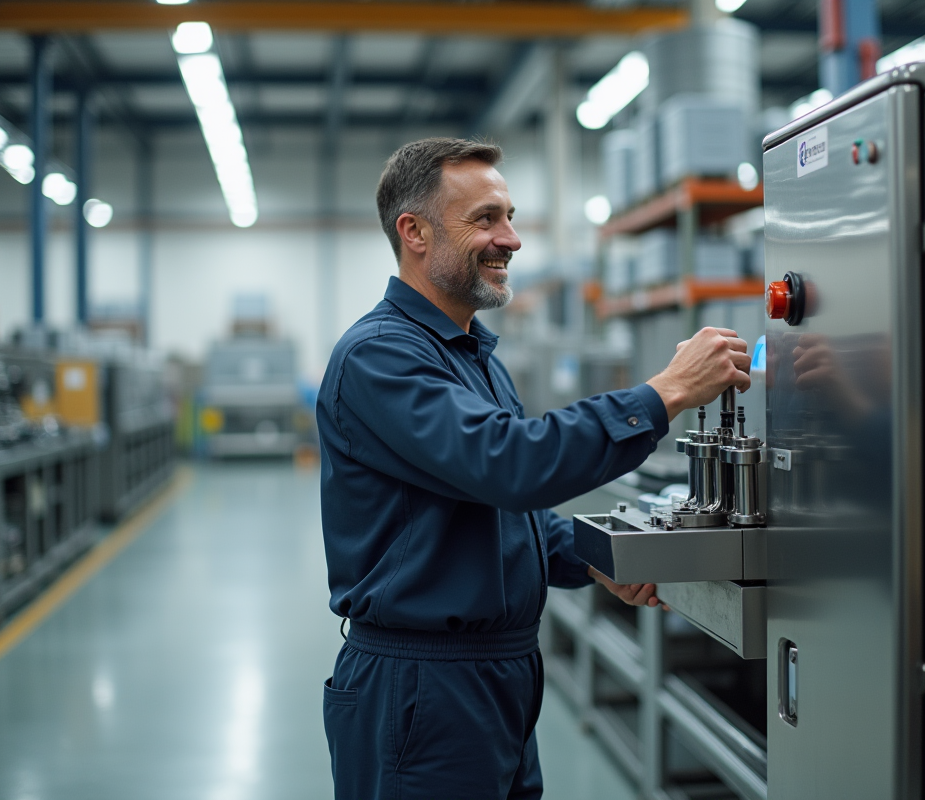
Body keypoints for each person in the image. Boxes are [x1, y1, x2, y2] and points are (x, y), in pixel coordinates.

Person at [318, 137, 751, 799]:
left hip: (500, 678)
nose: (511, 239)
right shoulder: (381, 358)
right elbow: (512, 465)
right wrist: (663, 394)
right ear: (415, 233)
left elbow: (506, 512)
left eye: (510, 216)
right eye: (486, 219)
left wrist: (597, 559)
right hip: (422, 689)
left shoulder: (474, 355)